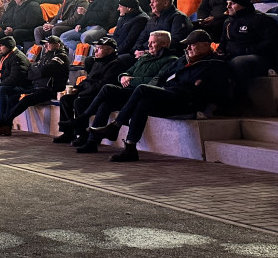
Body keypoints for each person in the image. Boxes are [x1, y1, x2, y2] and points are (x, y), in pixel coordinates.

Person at [83, 30, 234, 162]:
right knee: (143, 102)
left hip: (188, 101)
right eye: (187, 45)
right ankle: (130, 147)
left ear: (206, 45)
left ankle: (115, 126)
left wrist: (192, 84)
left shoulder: (215, 64)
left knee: (142, 89)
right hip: (169, 95)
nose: (187, 48)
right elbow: (163, 78)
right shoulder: (183, 60)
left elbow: (211, 91)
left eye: (192, 44)